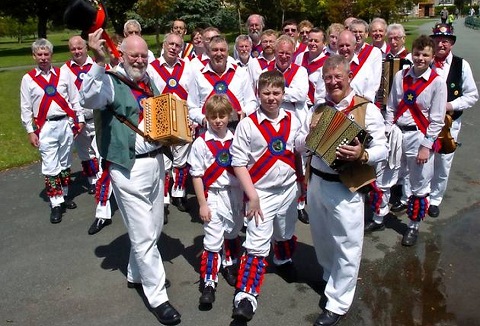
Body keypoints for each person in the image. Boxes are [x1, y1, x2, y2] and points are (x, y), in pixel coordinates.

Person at [80, 29, 181, 325]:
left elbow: (161, 113)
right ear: (122, 55)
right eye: (133, 55)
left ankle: (136, 274)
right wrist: (98, 62)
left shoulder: (150, 80)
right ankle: (159, 297)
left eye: (143, 56)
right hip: (127, 167)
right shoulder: (109, 81)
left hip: (155, 163)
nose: (139, 60)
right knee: (144, 235)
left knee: (155, 226)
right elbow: (88, 98)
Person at [306, 54, 388, 326]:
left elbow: (382, 149)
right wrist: (307, 132)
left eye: (337, 76)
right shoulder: (318, 108)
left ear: (349, 76)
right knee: (322, 238)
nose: (332, 82)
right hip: (316, 181)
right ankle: (331, 278)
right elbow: (300, 144)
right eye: (327, 78)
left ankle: (338, 303)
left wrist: (362, 154)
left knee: (347, 244)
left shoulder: (366, 108)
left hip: (346, 185)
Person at [229, 70, 306, 322]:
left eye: (276, 93)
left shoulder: (294, 119)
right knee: (257, 242)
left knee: (285, 231)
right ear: (258, 94)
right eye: (266, 93)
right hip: (260, 193)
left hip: (288, 189)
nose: (271, 98)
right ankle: (246, 296)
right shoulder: (247, 124)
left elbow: (299, 152)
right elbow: (238, 163)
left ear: (284, 94)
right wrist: (251, 196)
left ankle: (283, 259)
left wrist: (302, 184)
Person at [382, 35, 447, 246]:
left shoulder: (437, 83)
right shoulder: (401, 76)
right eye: (417, 54)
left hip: (419, 136)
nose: (420, 58)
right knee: (387, 175)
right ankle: (378, 216)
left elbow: (437, 120)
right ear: (412, 53)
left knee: (419, 183)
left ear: (432, 56)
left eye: (425, 55)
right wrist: (388, 130)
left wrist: (426, 146)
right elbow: (391, 106)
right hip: (397, 134)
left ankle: (413, 226)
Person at [188, 95, 244, 305]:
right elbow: (196, 175)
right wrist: (202, 203)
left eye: (222, 116)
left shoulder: (237, 138)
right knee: (212, 240)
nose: (218, 120)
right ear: (207, 118)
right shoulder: (201, 143)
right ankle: (209, 282)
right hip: (213, 195)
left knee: (232, 232)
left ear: (229, 116)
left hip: (235, 195)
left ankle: (229, 264)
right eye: (213, 116)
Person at [20, 38, 83, 224]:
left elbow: (74, 98)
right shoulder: (28, 79)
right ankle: (55, 203)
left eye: (46, 54)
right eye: (39, 54)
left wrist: (78, 121)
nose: (43, 58)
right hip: (45, 127)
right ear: (34, 56)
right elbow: (25, 107)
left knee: (65, 162)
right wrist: (30, 131)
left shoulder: (63, 75)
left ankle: (63, 196)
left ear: (51, 55)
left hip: (64, 124)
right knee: (50, 165)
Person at [428, 23, 478, 217]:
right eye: (437, 40)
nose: (441, 44)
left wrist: (450, 105)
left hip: (449, 123)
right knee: (424, 158)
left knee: (443, 161)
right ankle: (420, 193)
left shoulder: (461, 65)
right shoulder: (426, 61)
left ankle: (435, 199)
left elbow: (472, 95)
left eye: (445, 41)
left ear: (451, 43)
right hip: (424, 121)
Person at [148, 33, 195, 219]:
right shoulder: (152, 68)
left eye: (177, 45)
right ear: (164, 45)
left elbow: (193, 93)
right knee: (164, 163)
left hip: (183, 118)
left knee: (181, 161)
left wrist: (192, 118)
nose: (174, 48)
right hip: (161, 119)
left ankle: (179, 194)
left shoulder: (188, 67)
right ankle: (164, 200)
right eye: (171, 44)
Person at [187, 35, 257, 127]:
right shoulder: (198, 76)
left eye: (222, 50)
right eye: (215, 50)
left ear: (228, 53)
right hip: (209, 129)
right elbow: (192, 107)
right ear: (208, 52)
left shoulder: (241, 73)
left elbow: (252, 102)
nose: (219, 54)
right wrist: (203, 120)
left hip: (237, 127)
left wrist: (244, 112)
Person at [61, 36, 99, 195]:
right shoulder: (64, 70)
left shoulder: (97, 65)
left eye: (80, 48)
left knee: (101, 151)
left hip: (98, 116)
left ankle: (105, 179)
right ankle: (92, 181)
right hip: (79, 120)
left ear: (86, 48)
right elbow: (63, 96)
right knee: (85, 153)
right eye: (73, 49)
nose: (77, 51)